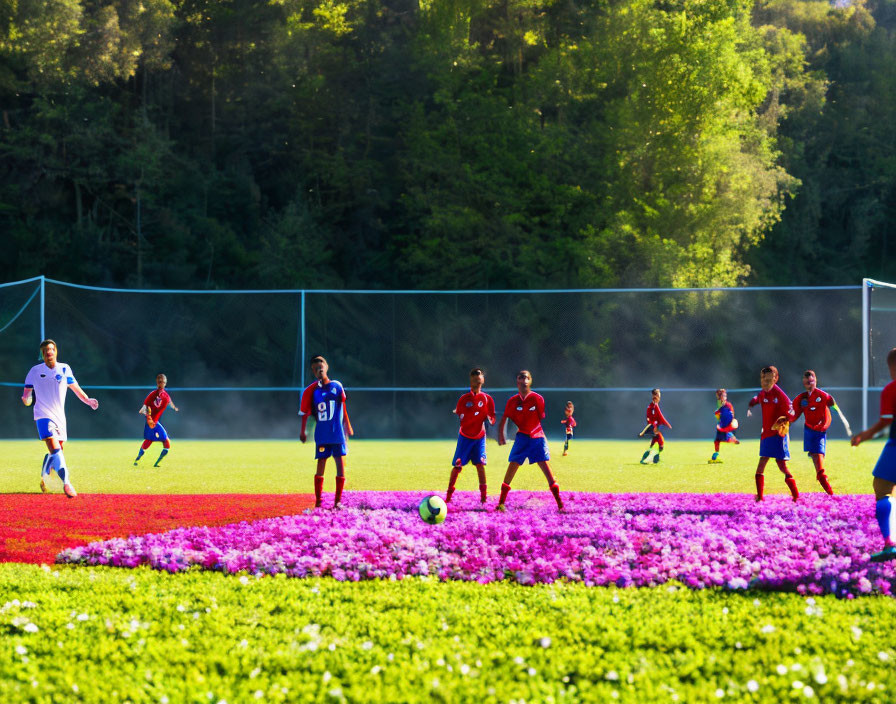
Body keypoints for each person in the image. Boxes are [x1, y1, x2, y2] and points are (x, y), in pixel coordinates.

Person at [21, 339, 99, 498]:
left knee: (57, 450)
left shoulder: (65, 369)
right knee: (55, 448)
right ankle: (67, 483)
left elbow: (76, 389)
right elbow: (26, 394)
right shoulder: (34, 371)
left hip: (60, 418)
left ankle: (45, 472)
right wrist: (26, 399)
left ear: (55, 351)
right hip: (43, 415)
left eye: (51, 349)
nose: (49, 352)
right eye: (45, 351)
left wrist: (88, 400)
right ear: (42, 355)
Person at [851, 347, 896, 562]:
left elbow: (885, 421)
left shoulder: (891, 389)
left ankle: (890, 545)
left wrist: (863, 436)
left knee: (882, 489)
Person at [496, 370, 563, 511]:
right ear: (517, 381)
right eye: (521, 377)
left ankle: (560, 505)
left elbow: (539, 419)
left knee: (547, 471)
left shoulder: (538, 399)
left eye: (527, 377)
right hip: (521, 438)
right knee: (511, 468)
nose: (524, 379)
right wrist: (501, 435)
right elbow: (504, 419)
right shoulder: (512, 401)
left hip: (537, 438)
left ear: (530, 381)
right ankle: (500, 503)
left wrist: (541, 437)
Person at [299, 355, 354, 508]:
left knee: (340, 464)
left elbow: (343, 407)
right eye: (316, 368)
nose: (319, 369)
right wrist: (303, 431)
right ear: (313, 371)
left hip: (337, 434)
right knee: (321, 463)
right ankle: (318, 501)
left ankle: (337, 502)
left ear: (327, 367)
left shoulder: (337, 386)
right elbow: (306, 413)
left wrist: (347, 425)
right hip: (322, 435)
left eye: (321, 365)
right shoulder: (313, 392)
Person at [747, 365, 798, 502]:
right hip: (766, 435)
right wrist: (751, 405)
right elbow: (757, 399)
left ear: (776, 379)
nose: (765, 382)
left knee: (782, 465)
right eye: (763, 379)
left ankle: (796, 495)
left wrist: (787, 421)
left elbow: (792, 413)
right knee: (761, 464)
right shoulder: (763, 393)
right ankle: (760, 496)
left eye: (769, 379)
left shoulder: (780, 395)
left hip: (778, 436)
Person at [446, 368, 495, 503]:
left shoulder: (487, 399)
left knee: (480, 465)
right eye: (474, 377)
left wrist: (490, 419)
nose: (476, 379)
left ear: (483, 380)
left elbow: (492, 416)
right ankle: (448, 497)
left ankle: (484, 499)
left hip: (479, 437)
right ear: (470, 380)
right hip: (465, 437)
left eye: (479, 377)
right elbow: (461, 416)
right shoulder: (464, 399)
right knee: (457, 466)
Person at [790, 370, 836, 495]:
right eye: (807, 381)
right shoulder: (802, 398)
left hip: (819, 432)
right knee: (816, 460)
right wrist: (786, 421)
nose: (809, 383)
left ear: (815, 380)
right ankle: (825, 484)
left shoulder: (823, 396)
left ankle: (830, 492)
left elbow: (830, 411)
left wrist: (823, 425)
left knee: (819, 463)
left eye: (811, 380)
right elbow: (794, 414)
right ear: (804, 383)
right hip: (809, 431)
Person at [134, 373, 179, 467]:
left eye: (162, 381)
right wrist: (148, 417)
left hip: (156, 422)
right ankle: (137, 459)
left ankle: (155, 463)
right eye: (159, 381)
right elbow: (143, 409)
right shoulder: (152, 395)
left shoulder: (166, 396)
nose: (160, 383)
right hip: (151, 422)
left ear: (165, 383)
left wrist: (174, 407)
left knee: (165, 442)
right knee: (149, 441)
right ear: (157, 382)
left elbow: (170, 402)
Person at [640, 388, 671, 464]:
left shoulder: (651, 405)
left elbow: (655, 417)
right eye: (658, 396)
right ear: (655, 396)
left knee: (654, 444)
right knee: (661, 444)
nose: (659, 398)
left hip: (654, 427)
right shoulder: (654, 406)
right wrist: (667, 424)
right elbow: (660, 416)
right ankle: (650, 458)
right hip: (654, 428)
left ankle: (654, 459)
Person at [709, 388, 740, 463]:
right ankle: (716, 455)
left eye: (725, 396)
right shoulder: (720, 403)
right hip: (722, 425)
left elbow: (729, 415)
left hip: (724, 426)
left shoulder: (727, 405)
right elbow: (720, 413)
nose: (724, 397)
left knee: (721, 439)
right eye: (722, 395)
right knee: (717, 441)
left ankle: (732, 439)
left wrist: (726, 424)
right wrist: (717, 414)